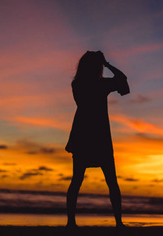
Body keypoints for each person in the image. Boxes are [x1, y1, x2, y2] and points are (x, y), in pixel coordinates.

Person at [65, 51, 129, 228]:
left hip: (83, 134)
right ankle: (118, 223)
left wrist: (104, 63)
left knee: (77, 180)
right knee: (111, 182)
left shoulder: (77, 83)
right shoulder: (100, 84)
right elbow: (123, 79)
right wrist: (107, 63)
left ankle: (71, 223)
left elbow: (123, 82)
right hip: (98, 135)